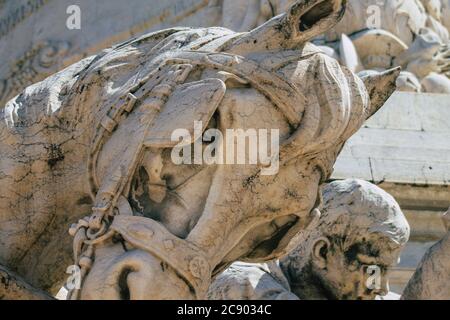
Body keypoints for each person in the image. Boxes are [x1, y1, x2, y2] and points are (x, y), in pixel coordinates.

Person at [208, 179, 410, 300]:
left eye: (387, 272)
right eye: (372, 269)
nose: (382, 287)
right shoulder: (243, 284)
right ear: (323, 252)